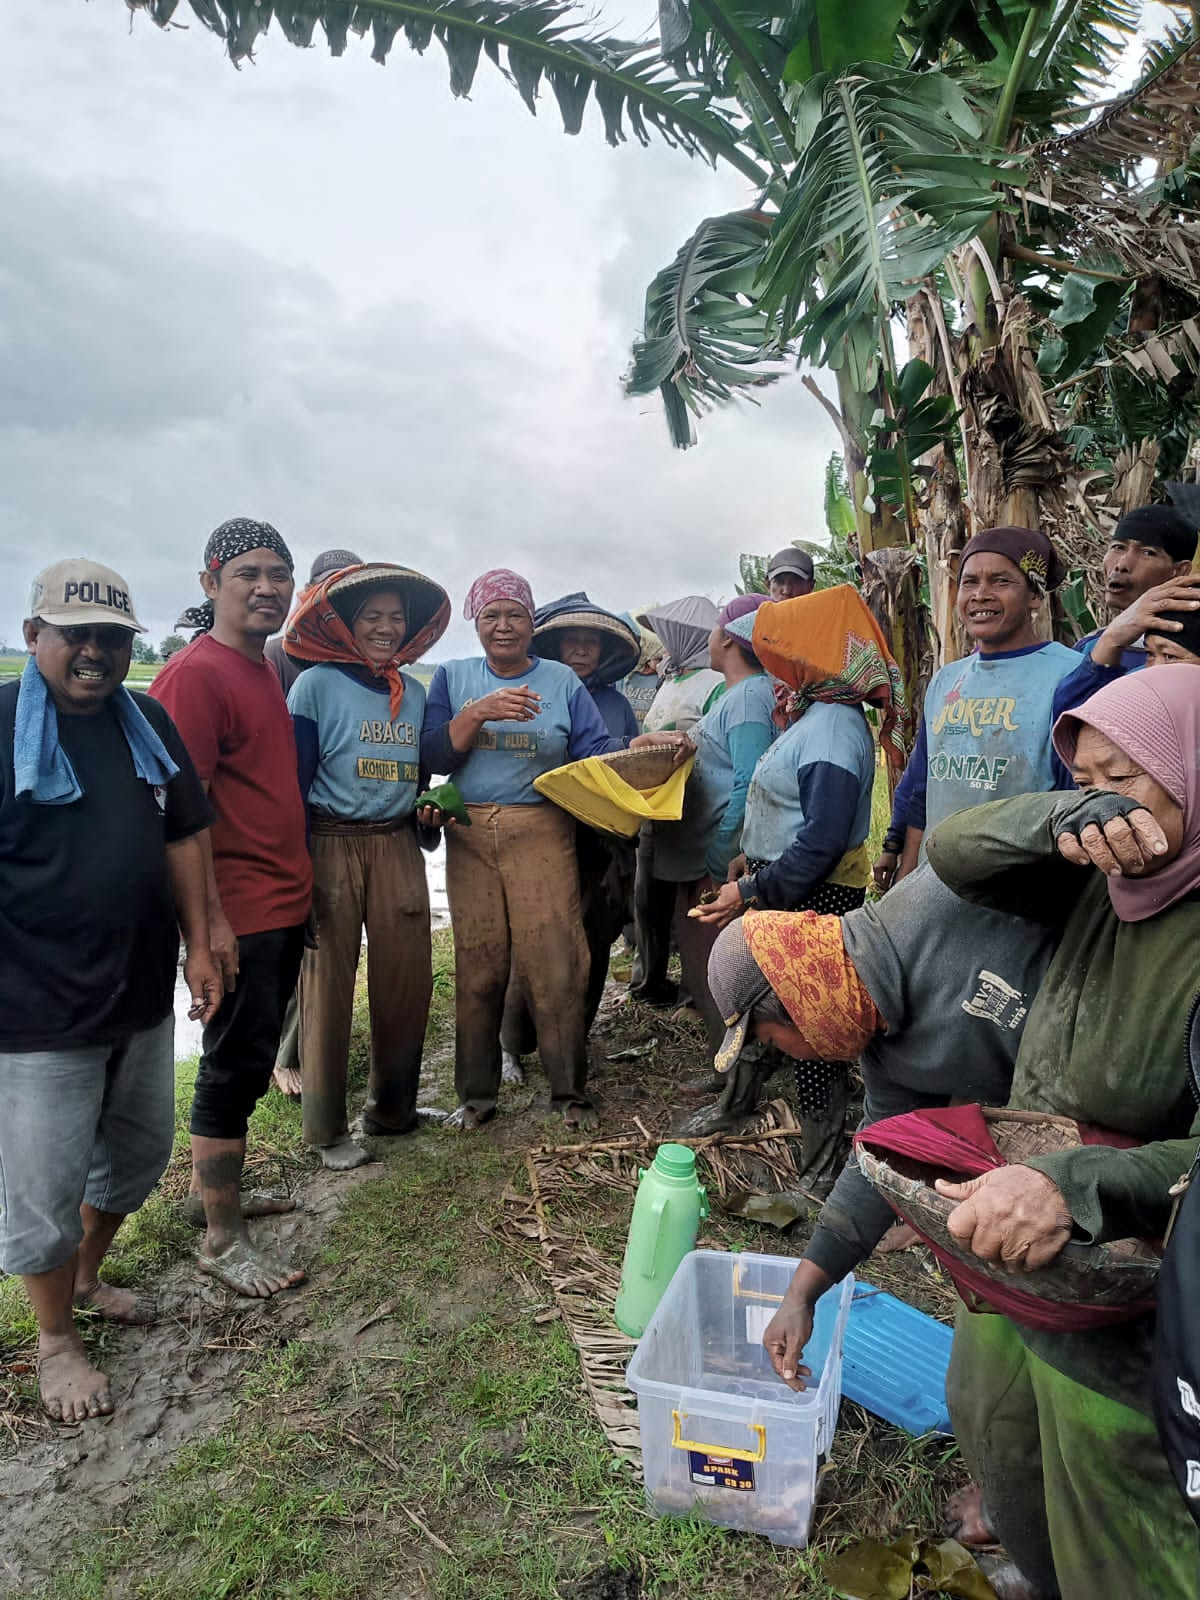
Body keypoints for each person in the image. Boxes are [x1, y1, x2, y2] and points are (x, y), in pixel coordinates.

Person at [894, 667, 1200, 1600]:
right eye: (1088, 777)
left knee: (1111, 1491)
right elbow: (952, 849)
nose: (1106, 801)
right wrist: (1058, 821)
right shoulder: (1093, 887)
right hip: (1018, 1226)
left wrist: (1074, 1187)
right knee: (992, 1418)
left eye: (1130, 778)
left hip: (1134, 1267)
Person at [0, 559, 220, 1422]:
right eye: (76, 635)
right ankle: (55, 1341)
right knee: (41, 1188)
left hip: (137, 994)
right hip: (33, 1012)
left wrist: (203, 941)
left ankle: (85, 1278)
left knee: (134, 1157)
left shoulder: (147, 722)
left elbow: (185, 834)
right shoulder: (3, 723)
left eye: (113, 638)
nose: (94, 652)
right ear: (34, 638)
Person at [709, 862, 1056, 1328]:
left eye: (773, 1041)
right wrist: (801, 1296)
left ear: (797, 998)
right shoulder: (884, 1048)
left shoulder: (938, 896)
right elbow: (879, 1159)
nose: (787, 1055)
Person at [689, 586, 907, 1163]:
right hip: (784, 881)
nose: (778, 658)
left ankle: (820, 1159)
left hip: (814, 896)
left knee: (809, 1026)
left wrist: (752, 887)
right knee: (761, 1004)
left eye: (788, 647)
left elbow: (823, 837)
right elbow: (790, 811)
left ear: (818, 653)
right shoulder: (814, 716)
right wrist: (749, 857)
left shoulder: (834, 727)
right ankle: (737, 1105)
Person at [152, 518, 312, 1299]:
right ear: (209, 582)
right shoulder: (195, 675)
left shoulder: (261, 670)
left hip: (280, 897)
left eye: (279, 573)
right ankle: (221, 1237)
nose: (266, 586)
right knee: (230, 1064)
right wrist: (207, 928)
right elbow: (184, 811)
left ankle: (207, 1193)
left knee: (246, 1061)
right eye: (247, 572)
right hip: (238, 907)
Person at [420, 569, 623, 1129]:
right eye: (492, 615)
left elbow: (595, 750)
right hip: (469, 837)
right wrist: (480, 711)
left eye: (515, 615)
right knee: (479, 967)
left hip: (542, 828)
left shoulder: (560, 681)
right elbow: (433, 755)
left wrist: (639, 746)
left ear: (532, 623)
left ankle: (568, 1094)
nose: (504, 625)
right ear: (476, 623)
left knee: (556, 963)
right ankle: (477, 1098)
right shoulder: (452, 677)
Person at [283, 562, 452, 1169]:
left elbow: (418, 780)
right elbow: (293, 783)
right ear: (347, 625)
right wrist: (297, 871)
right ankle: (326, 1130)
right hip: (329, 842)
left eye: (396, 618)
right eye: (372, 617)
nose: (385, 628)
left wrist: (428, 820)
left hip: (395, 843)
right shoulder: (315, 686)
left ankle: (393, 1110)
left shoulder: (414, 692)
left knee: (407, 977)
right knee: (326, 986)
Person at [877, 527, 1077, 887]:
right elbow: (923, 783)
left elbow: (1073, 796)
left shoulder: (1068, 675)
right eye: (969, 583)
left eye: (1000, 581)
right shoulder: (946, 680)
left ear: (1034, 595)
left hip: (1018, 891)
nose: (980, 595)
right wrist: (907, 873)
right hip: (934, 885)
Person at [501, 596, 640, 1077]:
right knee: (535, 942)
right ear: (555, 647)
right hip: (541, 837)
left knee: (594, 941)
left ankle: (576, 1038)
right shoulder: (532, 695)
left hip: (600, 843)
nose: (581, 651)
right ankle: (514, 1044)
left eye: (591, 643)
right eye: (572, 642)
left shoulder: (617, 704)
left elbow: (627, 766)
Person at [651, 595, 776, 1050]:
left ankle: (733, 1071)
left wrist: (720, 854)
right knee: (708, 966)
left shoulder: (746, 699)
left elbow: (749, 781)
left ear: (725, 637)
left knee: (719, 970)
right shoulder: (740, 695)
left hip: (721, 862)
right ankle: (726, 1061)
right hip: (710, 855)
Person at [264, 545, 362, 1100]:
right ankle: (279, 1054)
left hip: (336, 821)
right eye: (327, 587)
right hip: (285, 813)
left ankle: (293, 1052)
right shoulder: (280, 657)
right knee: (286, 942)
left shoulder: (362, 663)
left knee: (320, 943)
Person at [630, 596, 726, 1005]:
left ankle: (701, 992)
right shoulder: (672, 678)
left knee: (693, 908)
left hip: (694, 809)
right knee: (648, 900)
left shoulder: (714, 684)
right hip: (658, 809)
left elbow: (714, 747)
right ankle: (651, 983)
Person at [1050, 505, 1199, 721]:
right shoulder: (1090, 647)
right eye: (1118, 547)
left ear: (1180, 571)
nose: (1121, 564)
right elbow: (1066, 728)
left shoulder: (1187, 647)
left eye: (1148, 552)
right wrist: (1110, 640)